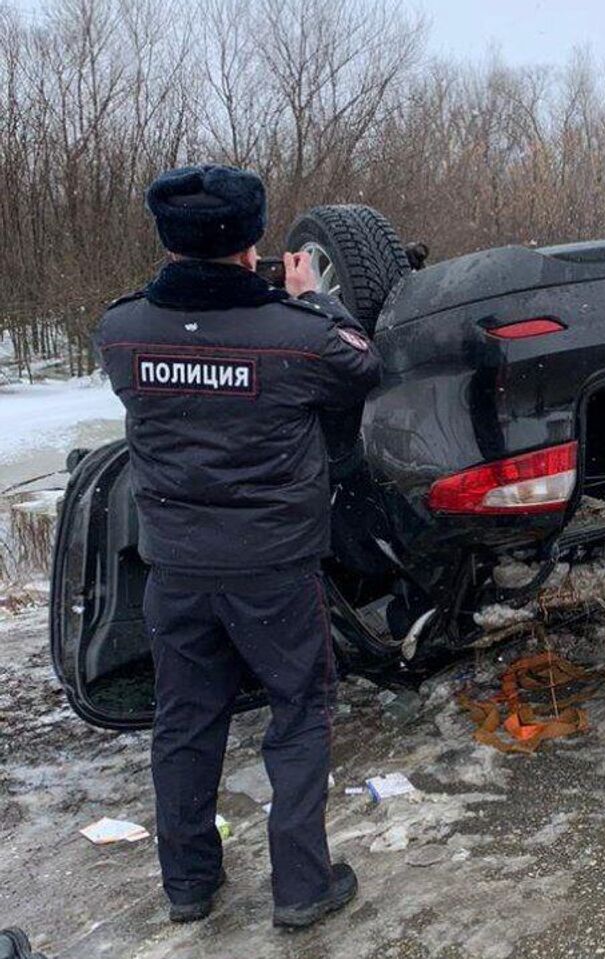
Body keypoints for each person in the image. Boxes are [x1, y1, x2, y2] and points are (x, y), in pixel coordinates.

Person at [94, 165, 382, 927]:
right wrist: (310, 294)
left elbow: (185, 359)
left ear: (168, 237)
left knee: (185, 720)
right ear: (251, 238)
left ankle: (188, 882)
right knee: (299, 713)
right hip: (274, 572)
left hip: (177, 568)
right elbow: (363, 362)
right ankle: (300, 888)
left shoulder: (121, 331)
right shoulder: (300, 336)